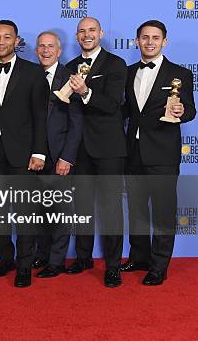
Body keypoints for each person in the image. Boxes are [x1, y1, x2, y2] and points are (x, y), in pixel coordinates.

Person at [120, 20, 195, 285]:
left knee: (163, 211)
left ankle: (159, 265)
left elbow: (190, 109)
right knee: (137, 210)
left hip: (163, 155)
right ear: (137, 41)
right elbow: (124, 112)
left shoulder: (180, 74)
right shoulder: (127, 73)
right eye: (144, 37)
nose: (149, 42)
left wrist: (181, 111)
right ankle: (138, 257)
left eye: (155, 37)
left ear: (164, 41)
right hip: (133, 153)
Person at [0, 19, 49, 288]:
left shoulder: (33, 73)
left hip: (23, 155)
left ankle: (24, 267)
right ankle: (5, 259)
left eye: (7, 37)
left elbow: (40, 116)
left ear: (16, 41)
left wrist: (39, 153)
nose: (1, 41)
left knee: (24, 214)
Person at [66, 17, 127, 288]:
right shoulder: (68, 68)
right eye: (82, 31)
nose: (87, 35)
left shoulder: (115, 64)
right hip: (79, 149)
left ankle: (113, 266)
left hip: (109, 149)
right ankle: (83, 258)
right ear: (76, 36)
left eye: (92, 30)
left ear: (100, 33)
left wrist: (86, 91)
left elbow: (114, 105)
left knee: (111, 208)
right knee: (81, 208)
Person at [33, 31, 83, 279]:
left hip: (59, 156)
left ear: (60, 51)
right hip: (34, 156)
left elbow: (77, 122)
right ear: (35, 50)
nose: (45, 51)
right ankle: (41, 254)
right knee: (39, 210)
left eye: (50, 46)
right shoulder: (29, 75)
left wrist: (67, 157)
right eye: (41, 46)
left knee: (60, 212)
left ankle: (56, 261)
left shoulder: (70, 78)